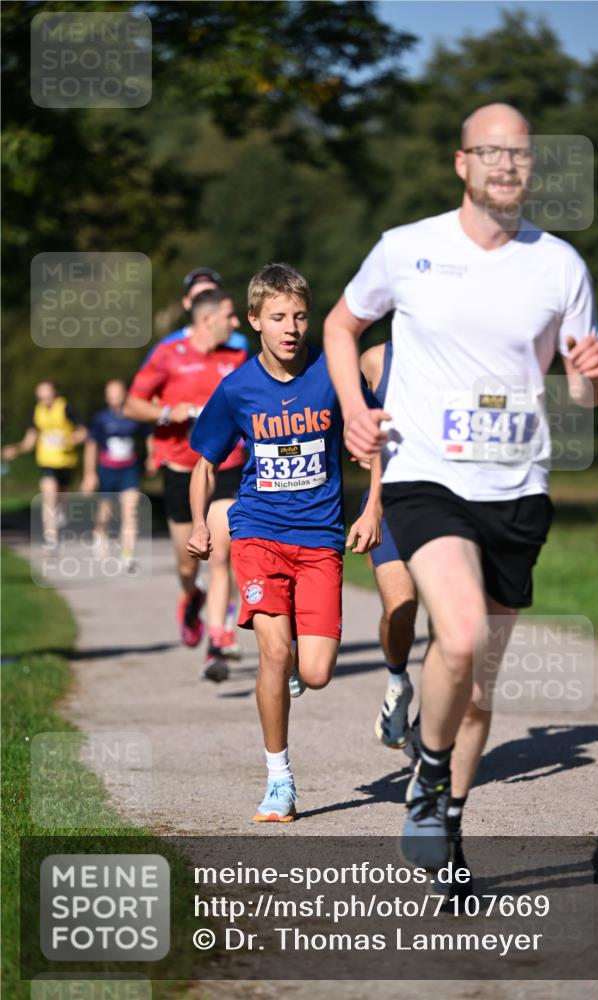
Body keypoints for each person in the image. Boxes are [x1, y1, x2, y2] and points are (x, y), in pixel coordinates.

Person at [323, 102, 598, 871]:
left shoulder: (560, 266)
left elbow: (582, 394)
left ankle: (446, 818)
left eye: (518, 154)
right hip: (427, 478)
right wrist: (354, 411)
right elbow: (340, 326)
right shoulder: (405, 249)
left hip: (517, 490)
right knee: (458, 636)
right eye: (489, 152)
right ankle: (425, 773)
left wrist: (592, 383)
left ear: (530, 168)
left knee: (478, 691)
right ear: (462, 163)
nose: (505, 166)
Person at [187, 263, 382, 822]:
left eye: (299, 315)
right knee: (273, 653)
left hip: (320, 539)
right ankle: (279, 780)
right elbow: (205, 462)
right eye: (277, 318)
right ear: (255, 321)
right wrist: (201, 522)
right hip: (258, 533)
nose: (291, 327)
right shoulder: (238, 388)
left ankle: (295, 655)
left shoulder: (333, 375)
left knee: (315, 672)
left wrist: (372, 508)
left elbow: (376, 446)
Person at [124, 288, 249, 681]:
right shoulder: (169, 355)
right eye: (230, 316)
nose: (237, 323)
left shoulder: (237, 357)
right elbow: (132, 404)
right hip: (180, 468)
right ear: (207, 319)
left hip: (227, 464)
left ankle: (218, 639)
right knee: (187, 562)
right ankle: (190, 596)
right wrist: (166, 412)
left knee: (221, 550)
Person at [359, 342, 419, 749]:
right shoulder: (375, 359)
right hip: (389, 503)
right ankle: (398, 681)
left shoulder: (467, 350)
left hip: (454, 504)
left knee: (454, 628)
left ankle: (430, 732)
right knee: (400, 610)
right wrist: (356, 441)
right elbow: (347, 416)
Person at [2, 380, 87, 549]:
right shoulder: (37, 411)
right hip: (47, 462)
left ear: (55, 393)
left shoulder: (66, 408)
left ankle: (61, 516)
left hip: (65, 462)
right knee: (48, 493)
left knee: (61, 497)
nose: (44, 400)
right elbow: (29, 441)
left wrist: (70, 439)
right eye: (41, 397)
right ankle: (51, 539)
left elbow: (83, 432)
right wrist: (16, 449)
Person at [81, 379, 152, 573]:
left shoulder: (135, 416)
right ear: (106, 397)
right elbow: (91, 445)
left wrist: (152, 457)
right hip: (107, 470)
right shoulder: (101, 419)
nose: (115, 397)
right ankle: (99, 532)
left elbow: (149, 436)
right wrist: (89, 474)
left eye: (118, 393)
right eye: (111, 394)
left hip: (129, 470)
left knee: (131, 510)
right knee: (106, 510)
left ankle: (128, 554)